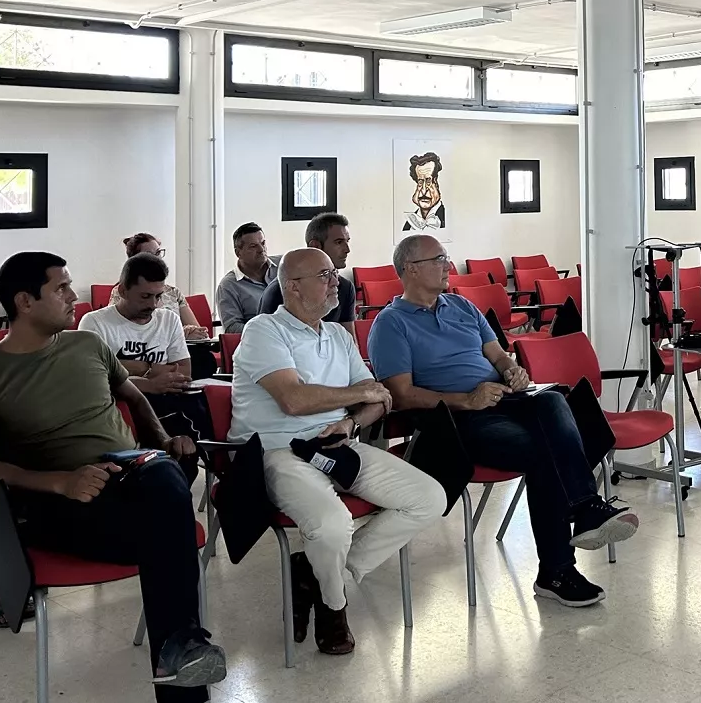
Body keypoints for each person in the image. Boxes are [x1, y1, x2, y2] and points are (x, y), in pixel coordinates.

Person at [0, 252, 228, 703]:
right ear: (24, 301)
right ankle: (183, 685)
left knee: (163, 474)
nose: (73, 297)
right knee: (169, 514)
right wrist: (60, 481)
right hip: (54, 504)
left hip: (131, 478)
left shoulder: (86, 345)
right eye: (61, 289)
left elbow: (136, 399)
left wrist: (161, 440)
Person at [369, 233, 639, 608]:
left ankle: (578, 518)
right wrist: (467, 399)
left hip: (505, 398)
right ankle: (561, 561)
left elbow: (498, 355)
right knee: (544, 453)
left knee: (552, 401)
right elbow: (402, 394)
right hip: (456, 418)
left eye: (446, 258)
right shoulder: (391, 323)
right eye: (439, 259)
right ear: (410, 270)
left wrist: (513, 371)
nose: (448, 265)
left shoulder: (462, 306)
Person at [230, 247, 444, 655]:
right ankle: (334, 606)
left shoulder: (336, 335)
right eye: (324, 275)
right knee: (331, 525)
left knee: (429, 498)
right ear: (293, 287)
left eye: (334, 273)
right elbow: (292, 400)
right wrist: (360, 392)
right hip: (278, 451)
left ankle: (315, 575)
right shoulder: (264, 330)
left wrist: (351, 421)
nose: (336, 282)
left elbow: (379, 399)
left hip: (338, 442)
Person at [82, 252, 210, 442]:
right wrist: (151, 381)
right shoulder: (95, 322)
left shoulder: (168, 319)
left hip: (167, 401)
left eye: (158, 296)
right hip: (119, 405)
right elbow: (97, 378)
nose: (153, 304)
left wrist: (128, 367)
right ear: (123, 291)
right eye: (145, 296)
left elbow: (183, 372)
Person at [257, 213, 356, 325]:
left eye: (347, 241)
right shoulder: (282, 290)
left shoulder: (345, 287)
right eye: (339, 242)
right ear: (315, 246)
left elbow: (349, 338)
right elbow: (267, 335)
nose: (347, 249)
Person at [119, 234, 209, 340]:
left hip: (182, 346)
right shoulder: (124, 292)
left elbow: (198, 330)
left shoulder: (173, 292)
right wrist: (179, 333)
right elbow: (123, 332)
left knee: (204, 354)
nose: (157, 258)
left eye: (158, 253)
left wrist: (189, 332)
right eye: (149, 255)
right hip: (145, 349)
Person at [216, 222, 278, 333]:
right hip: (260, 343)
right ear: (238, 252)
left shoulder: (284, 266)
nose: (261, 249)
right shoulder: (228, 286)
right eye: (253, 246)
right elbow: (232, 328)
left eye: (263, 243)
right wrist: (267, 332)